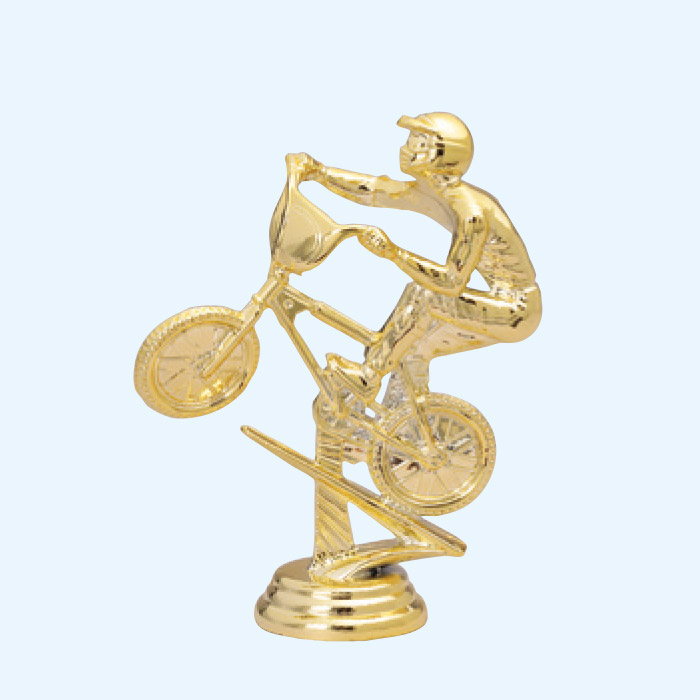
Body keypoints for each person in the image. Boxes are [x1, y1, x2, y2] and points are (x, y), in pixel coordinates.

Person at [299, 112, 542, 401]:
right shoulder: (434, 192)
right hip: (504, 305)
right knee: (408, 343)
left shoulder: (471, 212)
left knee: (423, 297)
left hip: (515, 308)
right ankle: (402, 420)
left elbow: (451, 282)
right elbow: (374, 189)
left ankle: (369, 375)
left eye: (417, 142)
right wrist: (318, 172)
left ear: (441, 154)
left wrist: (393, 253)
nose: (406, 148)